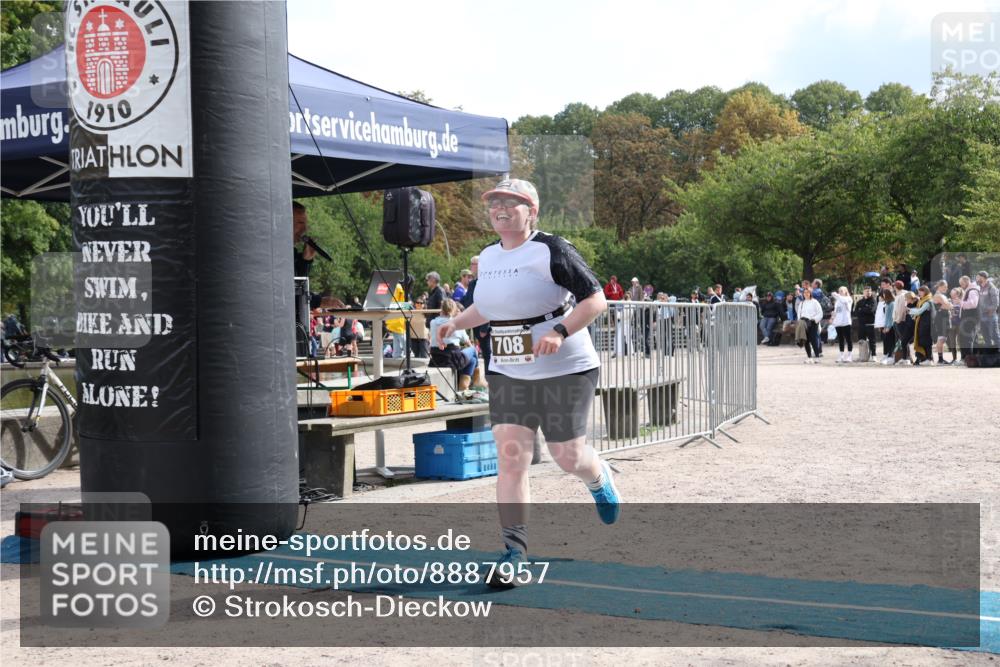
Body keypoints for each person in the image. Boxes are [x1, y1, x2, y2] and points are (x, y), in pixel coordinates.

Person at [434, 178, 615, 589]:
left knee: (566, 456)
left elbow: (595, 299)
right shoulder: (488, 256)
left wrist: (559, 332)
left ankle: (597, 475)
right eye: (494, 202)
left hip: (565, 366)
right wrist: (455, 323)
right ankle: (515, 552)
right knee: (511, 456)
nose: (500, 208)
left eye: (510, 203)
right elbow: (490, 306)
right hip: (509, 368)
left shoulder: (552, 249)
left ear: (531, 211)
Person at [429, 299, 478, 390]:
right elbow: (467, 342)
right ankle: (472, 381)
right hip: (452, 359)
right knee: (473, 351)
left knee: (473, 360)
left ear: (441, 309)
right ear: (454, 310)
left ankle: (466, 385)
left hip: (436, 359)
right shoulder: (456, 323)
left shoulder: (432, 322)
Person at [908, 286, 935, 365]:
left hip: (927, 325)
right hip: (922, 324)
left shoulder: (928, 301)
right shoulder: (922, 301)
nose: (919, 293)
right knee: (922, 342)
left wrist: (909, 310)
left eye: (921, 292)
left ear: (925, 292)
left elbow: (919, 311)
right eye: (919, 291)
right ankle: (923, 359)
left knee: (927, 342)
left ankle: (929, 359)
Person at [958, 276, 980, 362]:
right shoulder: (970, 290)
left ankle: (968, 359)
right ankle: (966, 358)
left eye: (962, 284)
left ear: (967, 281)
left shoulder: (973, 291)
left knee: (968, 338)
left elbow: (973, 304)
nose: (961, 286)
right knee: (966, 338)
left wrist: (960, 302)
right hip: (968, 318)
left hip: (971, 318)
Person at [797, 289, 823, 362]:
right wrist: (800, 321)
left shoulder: (815, 302)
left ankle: (817, 357)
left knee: (813, 339)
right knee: (806, 340)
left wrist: (814, 320)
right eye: (804, 293)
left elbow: (820, 313)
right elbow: (799, 313)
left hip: (812, 322)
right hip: (803, 322)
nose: (806, 294)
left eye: (808, 292)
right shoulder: (802, 303)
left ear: (811, 293)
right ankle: (809, 357)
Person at [975, 271, 999, 350]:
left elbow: (996, 302)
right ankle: (990, 355)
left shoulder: (991, 287)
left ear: (983, 277)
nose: (976, 278)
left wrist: (991, 311)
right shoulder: (979, 287)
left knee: (994, 335)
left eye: (978, 277)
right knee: (986, 336)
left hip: (990, 316)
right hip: (981, 315)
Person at [931, 281, 954, 365]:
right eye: (945, 286)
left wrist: (949, 304)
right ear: (939, 286)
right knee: (942, 338)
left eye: (947, 287)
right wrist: (949, 304)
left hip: (945, 317)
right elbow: (948, 306)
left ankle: (940, 359)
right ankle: (940, 359)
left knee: (943, 338)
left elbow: (948, 305)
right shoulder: (938, 295)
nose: (946, 288)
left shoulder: (942, 295)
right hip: (941, 318)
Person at [384, 283, 408, 359]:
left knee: (400, 336)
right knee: (397, 337)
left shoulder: (394, 286)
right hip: (395, 318)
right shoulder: (396, 286)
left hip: (396, 318)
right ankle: (397, 353)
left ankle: (405, 352)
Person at [831, 286, 854, 363]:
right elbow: (836, 311)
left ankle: (850, 355)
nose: (840, 292)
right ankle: (841, 355)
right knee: (840, 339)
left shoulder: (848, 299)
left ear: (845, 291)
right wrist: (832, 318)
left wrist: (837, 295)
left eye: (842, 291)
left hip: (846, 322)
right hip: (838, 322)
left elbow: (843, 300)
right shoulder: (837, 301)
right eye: (839, 291)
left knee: (848, 339)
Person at [853, 286, 877, 357]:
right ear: (863, 292)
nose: (868, 292)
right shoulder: (859, 302)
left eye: (869, 291)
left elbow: (871, 310)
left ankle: (874, 355)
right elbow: (855, 312)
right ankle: (863, 356)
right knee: (861, 341)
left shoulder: (873, 300)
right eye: (866, 291)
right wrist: (865, 309)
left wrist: (861, 310)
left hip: (870, 324)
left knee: (872, 341)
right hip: (861, 324)